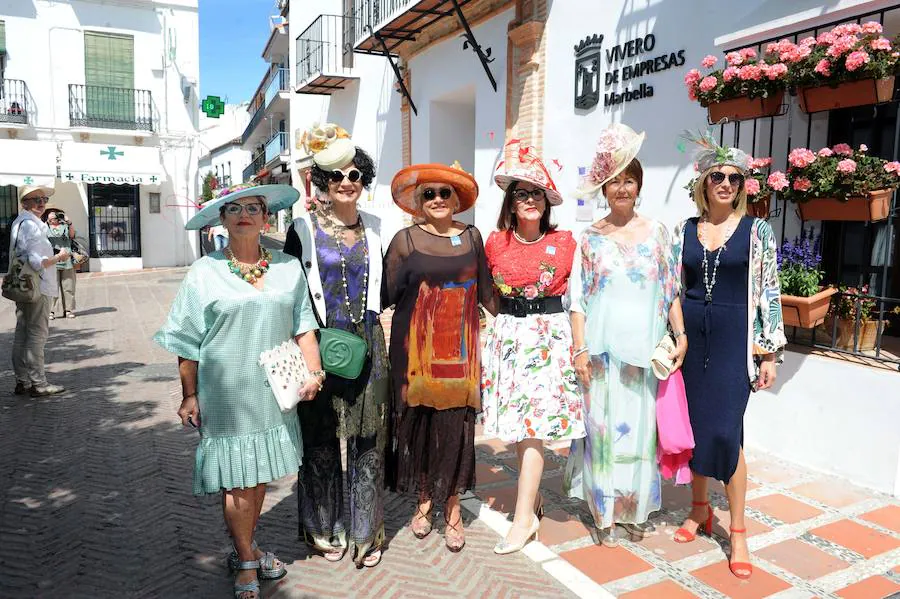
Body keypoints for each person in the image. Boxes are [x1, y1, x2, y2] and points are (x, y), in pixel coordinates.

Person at [154, 182, 323, 599]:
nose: (244, 214)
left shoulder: (288, 266)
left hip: (274, 391)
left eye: (254, 207)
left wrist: (315, 373)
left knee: (259, 472)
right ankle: (247, 559)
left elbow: (304, 326)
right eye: (234, 208)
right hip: (226, 393)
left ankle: (246, 546)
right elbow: (186, 340)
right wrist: (189, 394)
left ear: (267, 218)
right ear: (222, 220)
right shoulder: (204, 271)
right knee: (236, 480)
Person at [563, 124, 687, 547]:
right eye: (614, 181)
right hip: (599, 354)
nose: (621, 188)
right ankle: (604, 513)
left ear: (638, 186)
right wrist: (579, 349)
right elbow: (577, 299)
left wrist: (680, 334)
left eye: (629, 180)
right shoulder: (590, 239)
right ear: (604, 187)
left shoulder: (658, 233)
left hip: (644, 354)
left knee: (639, 433)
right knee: (601, 434)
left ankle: (635, 508)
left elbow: (670, 289)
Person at [672, 132, 786, 580]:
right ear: (703, 183)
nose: (725, 184)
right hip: (690, 343)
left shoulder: (757, 231)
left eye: (734, 178)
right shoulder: (685, 229)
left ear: (741, 187)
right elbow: (673, 287)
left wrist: (769, 353)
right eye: (717, 176)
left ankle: (737, 531)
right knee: (695, 427)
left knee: (726, 432)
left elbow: (770, 293)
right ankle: (700, 510)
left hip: (733, 344)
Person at [283, 123, 389, 568]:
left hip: (367, 342)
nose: (347, 183)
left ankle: (366, 533)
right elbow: (289, 290)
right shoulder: (303, 228)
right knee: (321, 440)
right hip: (319, 346)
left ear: (363, 181)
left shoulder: (380, 228)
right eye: (337, 176)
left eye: (355, 175)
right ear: (324, 182)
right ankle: (324, 528)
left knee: (368, 440)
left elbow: (395, 283)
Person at [383, 162, 496, 553]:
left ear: (457, 200)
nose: (436, 200)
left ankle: (452, 509)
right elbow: (387, 294)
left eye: (444, 193)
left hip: (461, 353)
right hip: (414, 351)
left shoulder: (471, 237)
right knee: (420, 425)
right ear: (418, 202)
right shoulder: (404, 241)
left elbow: (487, 293)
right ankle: (424, 499)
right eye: (428, 194)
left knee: (455, 429)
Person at [481, 142, 585, 554]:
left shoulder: (566, 242)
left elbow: (582, 295)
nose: (529, 200)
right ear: (511, 201)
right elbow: (484, 292)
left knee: (534, 429)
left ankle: (523, 520)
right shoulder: (495, 242)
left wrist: (580, 348)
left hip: (548, 337)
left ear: (547, 203)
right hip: (508, 336)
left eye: (536, 194)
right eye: (521, 193)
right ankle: (532, 503)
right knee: (518, 431)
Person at [8, 185, 68, 397]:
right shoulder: (31, 226)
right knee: (36, 336)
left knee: (22, 334)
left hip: (25, 286)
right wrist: (59, 257)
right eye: (36, 200)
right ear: (25, 203)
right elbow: (37, 262)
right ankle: (39, 383)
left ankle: (22, 381)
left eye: (43, 199)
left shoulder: (20, 222)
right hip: (38, 287)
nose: (41, 203)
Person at [43, 210, 77, 319]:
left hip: (66, 260)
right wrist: (45, 223)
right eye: (51, 215)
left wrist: (69, 222)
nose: (53, 217)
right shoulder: (45, 227)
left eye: (55, 215)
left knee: (68, 286)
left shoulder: (65, 226)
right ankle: (50, 311)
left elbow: (72, 235)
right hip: (52, 260)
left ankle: (68, 310)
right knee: (52, 287)